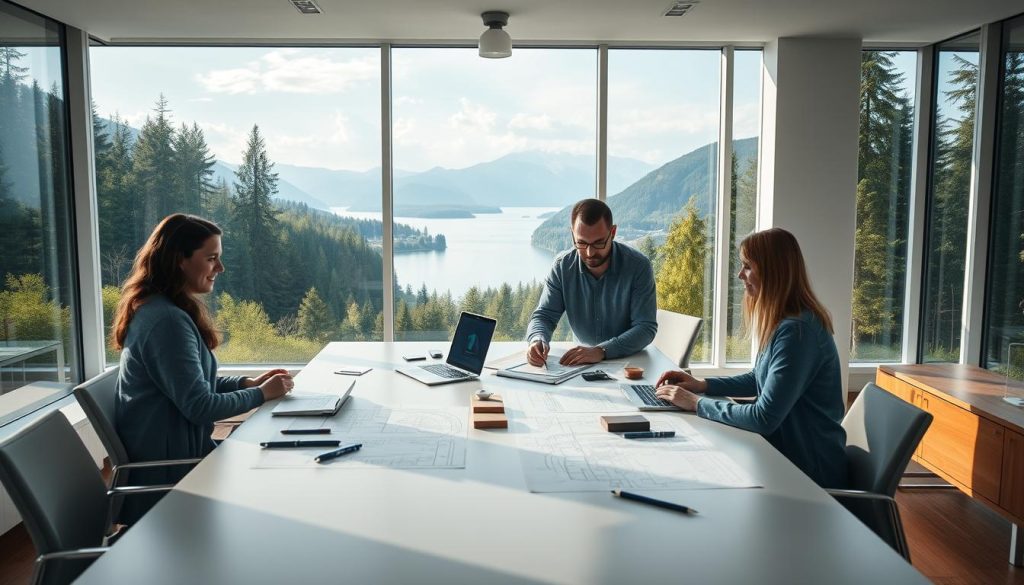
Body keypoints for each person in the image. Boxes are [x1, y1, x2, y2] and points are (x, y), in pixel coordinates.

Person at [111, 214, 294, 522]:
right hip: (174, 478)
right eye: (211, 259)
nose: (219, 268)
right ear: (178, 260)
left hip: (182, 458)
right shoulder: (167, 321)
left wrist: (246, 383)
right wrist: (261, 395)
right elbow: (199, 405)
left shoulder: (161, 310)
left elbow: (191, 383)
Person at [654, 227, 847, 489]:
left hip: (806, 471)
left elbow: (763, 418)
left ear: (772, 272)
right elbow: (759, 377)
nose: (740, 275)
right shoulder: (787, 322)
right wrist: (702, 385)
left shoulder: (798, 333)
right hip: (785, 455)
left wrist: (696, 403)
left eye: (747, 266)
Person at [525, 198, 657, 367]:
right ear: (572, 233)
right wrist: (537, 340)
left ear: (613, 232)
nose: (590, 252)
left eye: (598, 242)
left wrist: (602, 351)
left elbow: (645, 328)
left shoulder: (638, 266)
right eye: (581, 242)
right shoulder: (562, 267)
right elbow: (544, 316)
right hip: (581, 364)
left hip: (630, 363)